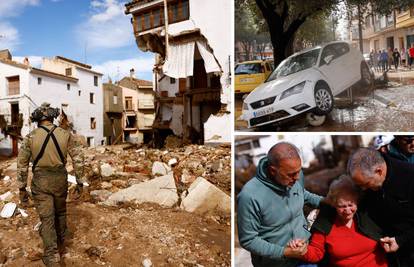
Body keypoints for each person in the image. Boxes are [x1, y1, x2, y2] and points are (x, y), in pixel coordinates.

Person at [17, 103, 85, 267]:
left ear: (37, 119)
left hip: (41, 181)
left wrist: (21, 188)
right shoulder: (65, 134)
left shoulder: (30, 137)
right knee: (60, 212)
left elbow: (22, 165)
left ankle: (52, 255)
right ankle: (62, 243)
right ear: (52, 117)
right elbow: (78, 158)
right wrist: (80, 181)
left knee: (47, 219)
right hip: (60, 179)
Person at [237, 142, 323, 267]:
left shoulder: (294, 176)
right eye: (291, 174)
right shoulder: (250, 196)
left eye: (299, 171)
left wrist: (328, 202)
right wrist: (285, 252)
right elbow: (248, 240)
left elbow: (302, 195)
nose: (297, 177)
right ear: (273, 171)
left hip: (305, 256)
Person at [288, 175, 388, 267]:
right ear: (334, 204)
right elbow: (316, 253)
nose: (348, 211)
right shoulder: (326, 223)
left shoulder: (367, 216)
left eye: (351, 205)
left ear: (357, 201)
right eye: (342, 206)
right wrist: (302, 249)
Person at [348, 148, 414, 267]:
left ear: (379, 171)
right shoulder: (367, 179)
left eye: (366, 184)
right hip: (389, 250)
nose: (363, 189)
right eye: (360, 186)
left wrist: (401, 240)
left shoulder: (409, 177)